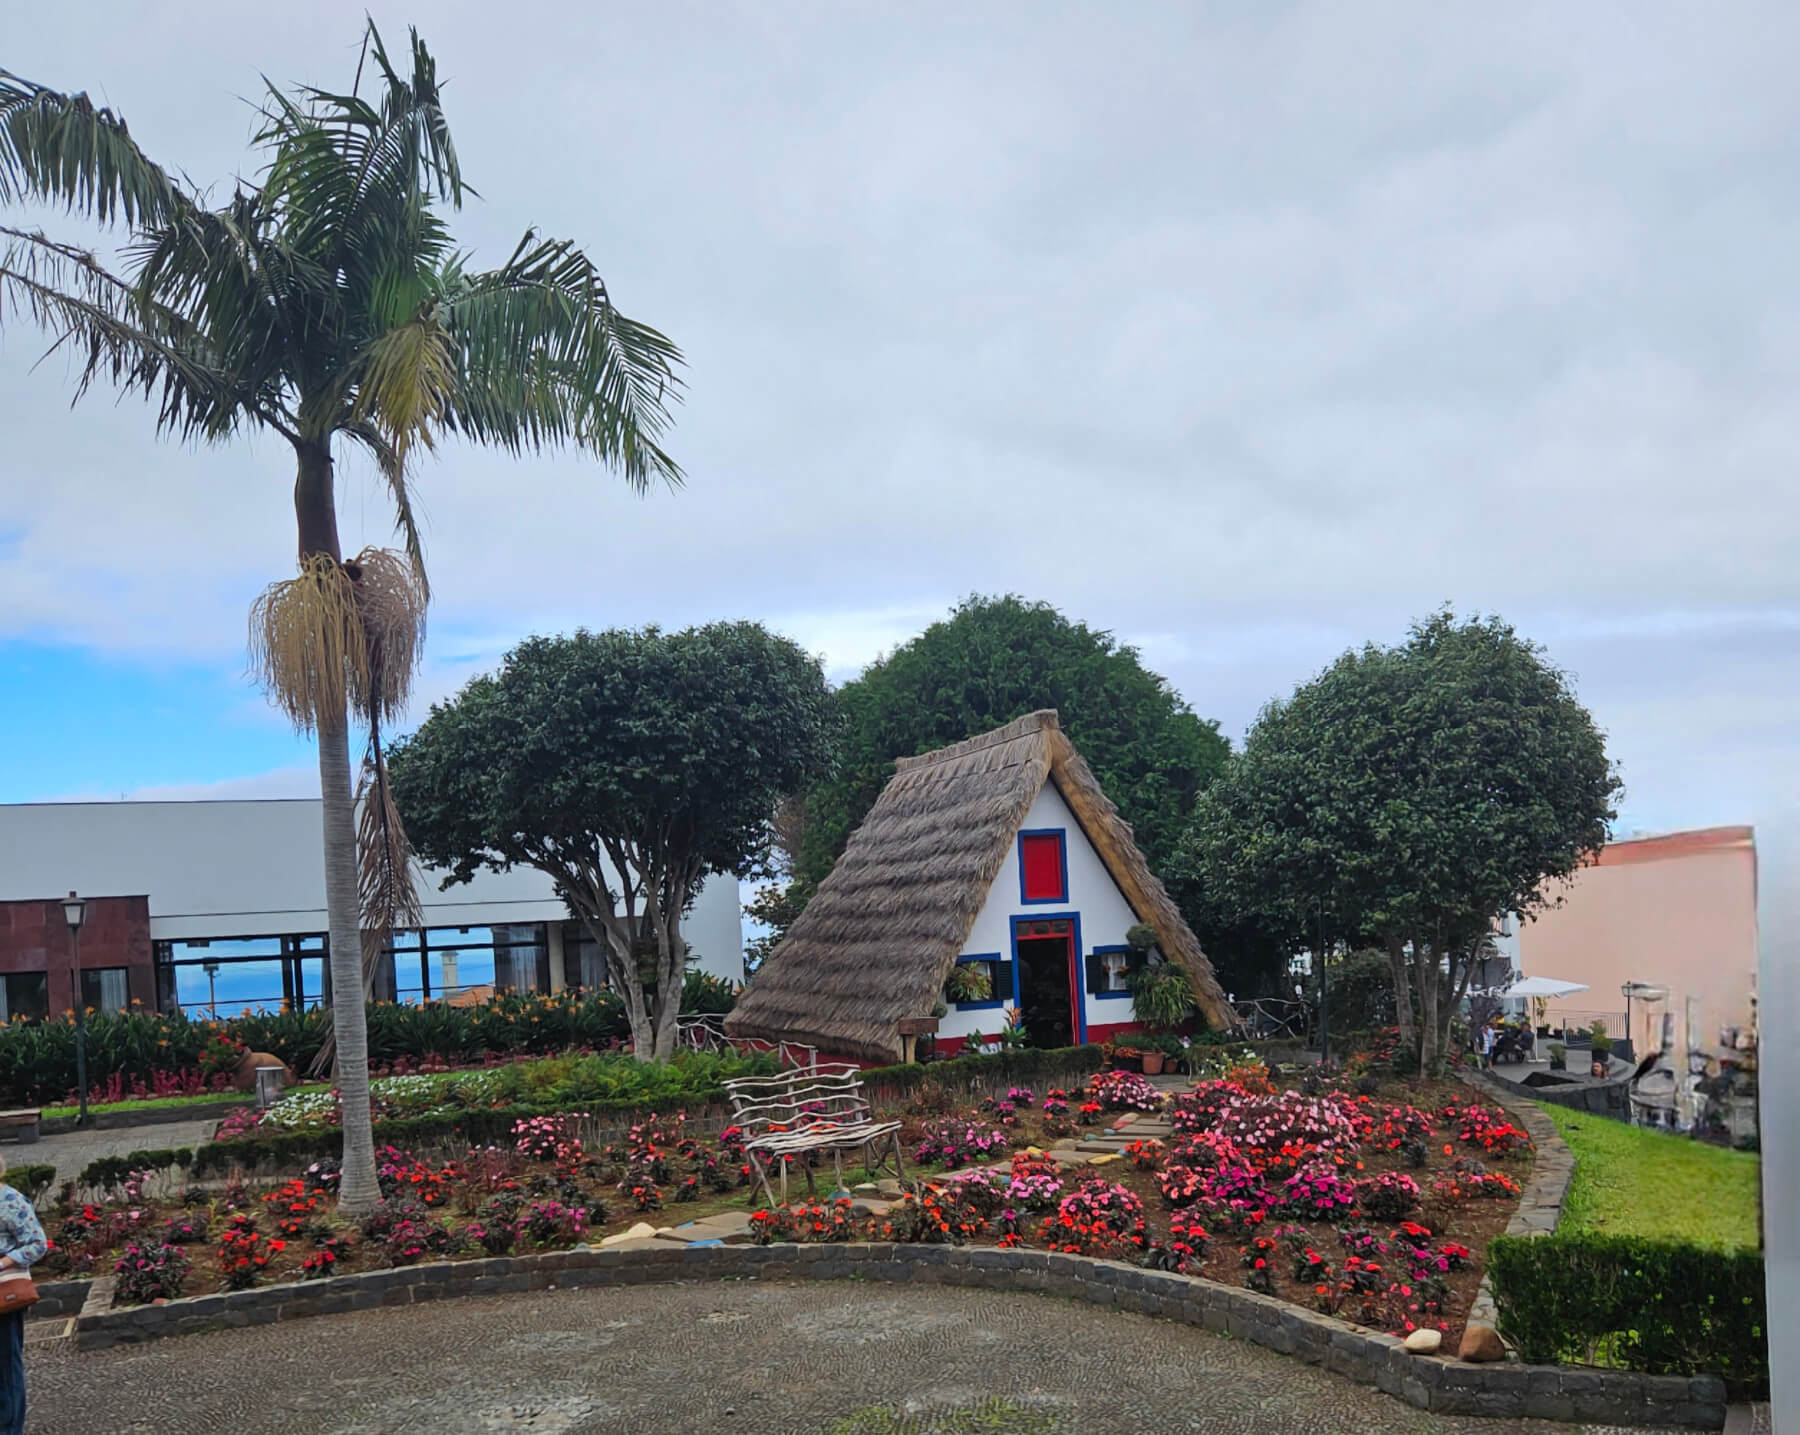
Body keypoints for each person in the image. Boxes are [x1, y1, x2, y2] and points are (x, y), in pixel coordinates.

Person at [0, 1153, 47, 1435]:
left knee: (6, 1366)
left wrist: (4, 1261)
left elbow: (37, 1243)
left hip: (4, 1294)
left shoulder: (10, 1200)